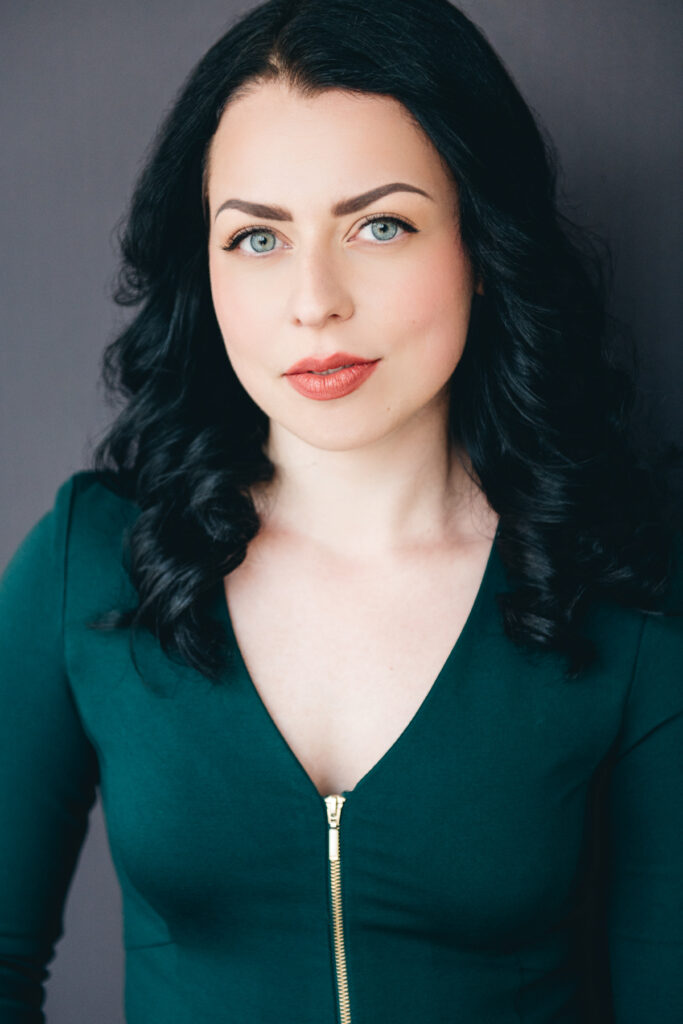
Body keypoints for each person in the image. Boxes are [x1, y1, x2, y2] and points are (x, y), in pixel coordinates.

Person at [1, 0, 681, 1021]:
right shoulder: (89, 560)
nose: (313, 299)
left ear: (481, 248)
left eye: (379, 224)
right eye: (256, 237)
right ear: (207, 268)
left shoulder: (624, 588)